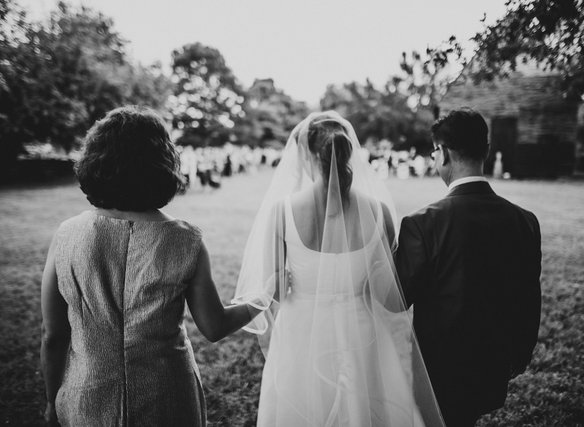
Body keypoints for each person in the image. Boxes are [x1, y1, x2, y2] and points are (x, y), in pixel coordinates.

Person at [40, 106, 261, 427]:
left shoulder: (66, 235)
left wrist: (51, 401)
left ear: (95, 159)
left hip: (86, 397)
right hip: (168, 397)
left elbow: (52, 334)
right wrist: (263, 298)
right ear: (162, 164)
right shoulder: (186, 239)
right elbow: (214, 327)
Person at [232, 111, 444, 426]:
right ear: (349, 153)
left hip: (299, 329)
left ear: (304, 155)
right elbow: (389, 294)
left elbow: (273, 289)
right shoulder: (379, 212)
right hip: (360, 329)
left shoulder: (282, 212)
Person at [395, 108, 542, 427]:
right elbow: (530, 296)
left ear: (443, 153)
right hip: (493, 362)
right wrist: (520, 353)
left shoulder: (422, 224)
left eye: (434, 152)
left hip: (439, 370)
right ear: (486, 151)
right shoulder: (524, 221)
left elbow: (397, 297)